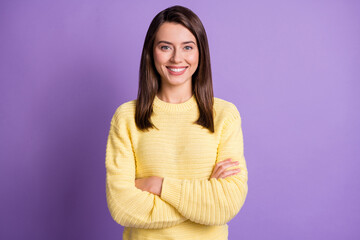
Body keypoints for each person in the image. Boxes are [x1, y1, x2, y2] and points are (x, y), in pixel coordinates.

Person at [105, 5, 248, 240]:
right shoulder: (126, 117)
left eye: (187, 47)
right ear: (152, 52)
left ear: (200, 53)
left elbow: (227, 204)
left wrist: (159, 186)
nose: (176, 58)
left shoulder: (224, 115)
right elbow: (122, 205)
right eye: (165, 47)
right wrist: (202, 202)